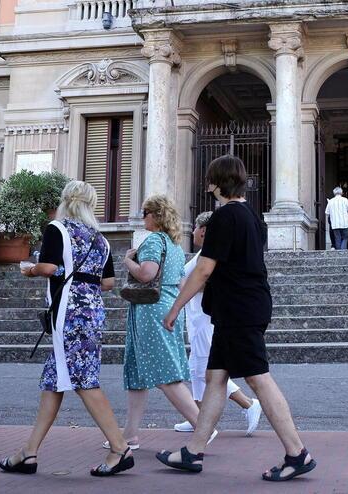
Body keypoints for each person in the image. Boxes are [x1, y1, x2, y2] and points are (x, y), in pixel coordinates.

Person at [157, 155, 316, 482]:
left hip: (239, 310)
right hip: (243, 307)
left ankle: (297, 452)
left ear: (217, 182)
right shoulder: (250, 216)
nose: (207, 184)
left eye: (210, 179)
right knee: (216, 377)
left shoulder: (224, 217)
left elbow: (203, 269)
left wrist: (174, 308)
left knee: (258, 377)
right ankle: (193, 451)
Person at [0, 180, 134, 477]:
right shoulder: (101, 238)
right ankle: (29, 452)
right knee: (54, 380)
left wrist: (30, 269)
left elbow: (47, 268)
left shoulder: (57, 228)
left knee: (84, 379)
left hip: (68, 313)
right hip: (93, 311)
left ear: (65, 201)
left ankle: (119, 447)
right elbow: (108, 283)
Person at [110, 194, 209, 452]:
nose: (142, 217)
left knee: (164, 371)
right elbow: (179, 282)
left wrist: (128, 260)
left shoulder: (154, 240)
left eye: (145, 213)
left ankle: (202, 427)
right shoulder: (174, 245)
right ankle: (130, 434)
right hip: (163, 306)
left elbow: (146, 274)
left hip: (151, 310)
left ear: (155, 215)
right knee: (137, 372)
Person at [172, 210, 263, 436]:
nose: (192, 231)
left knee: (206, 369)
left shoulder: (210, 255)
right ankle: (198, 417)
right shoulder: (203, 253)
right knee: (196, 368)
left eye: (195, 227)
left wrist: (184, 287)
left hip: (204, 319)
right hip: (196, 319)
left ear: (203, 231)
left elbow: (209, 282)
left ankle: (249, 404)